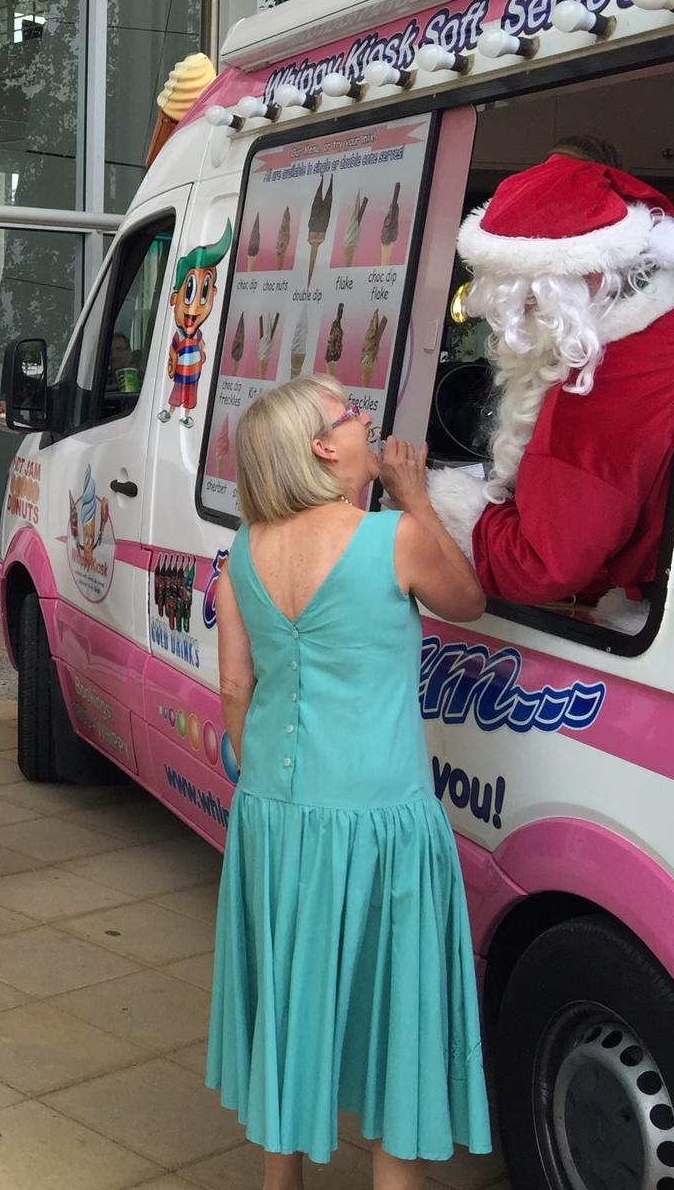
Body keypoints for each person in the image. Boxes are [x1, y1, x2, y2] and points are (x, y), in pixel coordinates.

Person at [207, 374, 491, 1187]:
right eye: (349, 413)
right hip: (377, 816)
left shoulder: (244, 545)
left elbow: (236, 688)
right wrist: (415, 495)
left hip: (274, 813)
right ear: (324, 448)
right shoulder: (393, 538)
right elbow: (466, 600)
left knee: (293, 999)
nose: (365, 420)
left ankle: (281, 1178)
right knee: (392, 1010)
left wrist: (263, 776)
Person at [426, 148, 674, 617]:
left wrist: (444, 501)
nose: (512, 320)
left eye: (518, 302)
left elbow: (540, 566)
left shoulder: (594, 398)